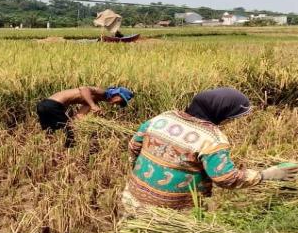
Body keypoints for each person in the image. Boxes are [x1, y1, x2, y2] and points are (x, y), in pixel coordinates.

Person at [123, 87, 298, 212]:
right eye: (231, 117)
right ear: (221, 113)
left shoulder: (163, 118)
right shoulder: (212, 139)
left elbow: (133, 147)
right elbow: (226, 178)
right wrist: (266, 175)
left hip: (131, 199)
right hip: (171, 214)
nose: (230, 122)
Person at [37, 86, 134, 148]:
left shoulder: (93, 101)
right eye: (121, 100)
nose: (118, 103)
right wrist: (93, 106)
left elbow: (78, 117)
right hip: (52, 105)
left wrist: (92, 123)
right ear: (116, 93)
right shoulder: (102, 92)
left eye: (121, 103)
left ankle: (46, 150)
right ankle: (67, 151)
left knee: (51, 130)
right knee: (69, 132)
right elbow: (84, 89)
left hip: (43, 106)